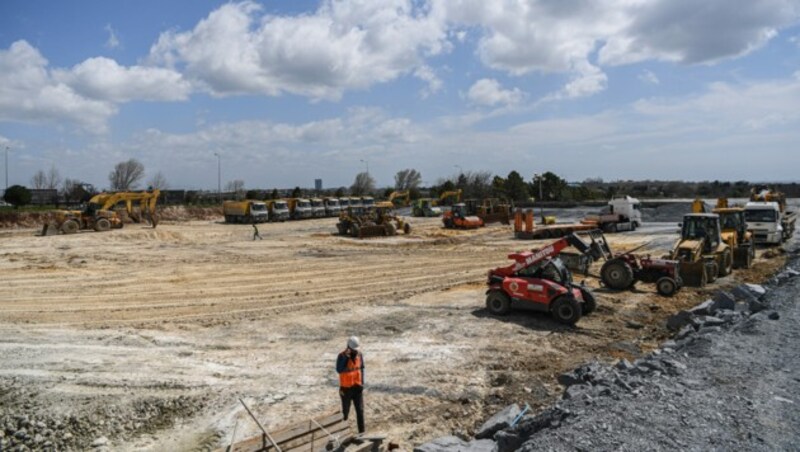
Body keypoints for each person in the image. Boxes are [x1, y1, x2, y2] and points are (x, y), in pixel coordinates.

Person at [337, 336, 365, 433]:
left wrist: (362, 383)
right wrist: (346, 358)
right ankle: (343, 434)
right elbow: (339, 369)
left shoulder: (359, 355)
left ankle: (362, 433)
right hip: (346, 389)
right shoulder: (341, 356)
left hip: (357, 388)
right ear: (348, 347)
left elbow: (361, 369)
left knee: (360, 411)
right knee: (345, 412)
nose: (355, 351)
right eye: (353, 349)